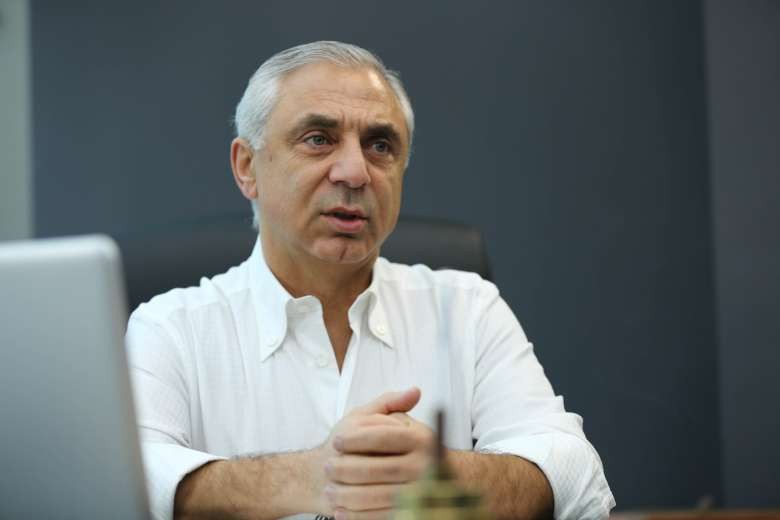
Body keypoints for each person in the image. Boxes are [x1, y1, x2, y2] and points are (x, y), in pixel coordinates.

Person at [126, 41, 615, 520]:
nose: (355, 172)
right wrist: (311, 478)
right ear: (247, 167)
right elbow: (128, 483)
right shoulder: (171, 328)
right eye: (318, 139)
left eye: (380, 146)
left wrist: (446, 477)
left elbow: (578, 477)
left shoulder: (467, 308)